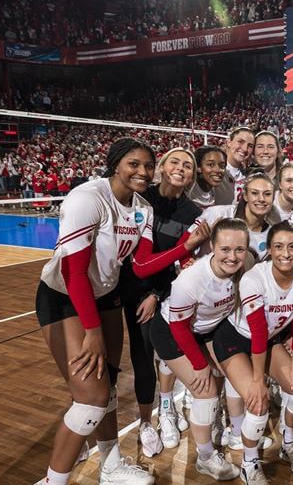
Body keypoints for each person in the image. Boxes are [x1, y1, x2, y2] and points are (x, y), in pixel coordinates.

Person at [36, 138, 207, 485]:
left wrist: (183, 248)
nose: (142, 172)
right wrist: (93, 331)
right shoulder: (88, 198)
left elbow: (142, 266)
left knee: (108, 388)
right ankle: (54, 480)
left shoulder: (143, 207)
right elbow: (74, 273)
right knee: (91, 398)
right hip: (64, 295)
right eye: (134, 164)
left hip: (107, 295)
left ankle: (110, 464)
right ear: (116, 164)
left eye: (147, 165)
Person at [209, 222, 293, 485]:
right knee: (258, 403)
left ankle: (288, 444)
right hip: (235, 339)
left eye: (292, 247)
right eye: (278, 247)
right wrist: (259, 381)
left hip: (267, 341)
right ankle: (249, 463)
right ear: (269, 249)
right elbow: (257, 331)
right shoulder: (254, 278)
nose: (285, 253)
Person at [116, 147, 205, 457]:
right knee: (126, 357)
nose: (181, 168)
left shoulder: (193, 213)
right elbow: (138, 259)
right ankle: (136, 424)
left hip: (159, 290)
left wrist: (156, 294)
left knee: (158, 353)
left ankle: (159, 414)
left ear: (193, 176)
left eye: (188, 166)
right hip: (124, 287)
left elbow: (179, 261)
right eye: (175, 161)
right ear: (163, 167)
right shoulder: (142, 198)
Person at [151, 218, 250, 480]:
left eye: (239, 250)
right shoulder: (192, 280)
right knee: (205, 391)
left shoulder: (244, 267)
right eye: (225, 249)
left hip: (207, 330)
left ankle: (223, 428)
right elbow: (179, 328)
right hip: (172, 332)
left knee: (228, 375)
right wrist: (199, 364)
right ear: (213, 248)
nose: (232, 256)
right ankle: (205, 457)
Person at [189, 173, 276, 259]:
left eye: (267, 194)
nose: (261, 199)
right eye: (254, 193)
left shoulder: (272, 236)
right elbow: (185, 245)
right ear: (245, 195)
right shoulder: (217, 214)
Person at [215, 127, 256, 205]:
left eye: (250, 146)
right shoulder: (212, 170)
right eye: (240, 142)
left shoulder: (248, 177)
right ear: (229, 142)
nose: (245, 149)